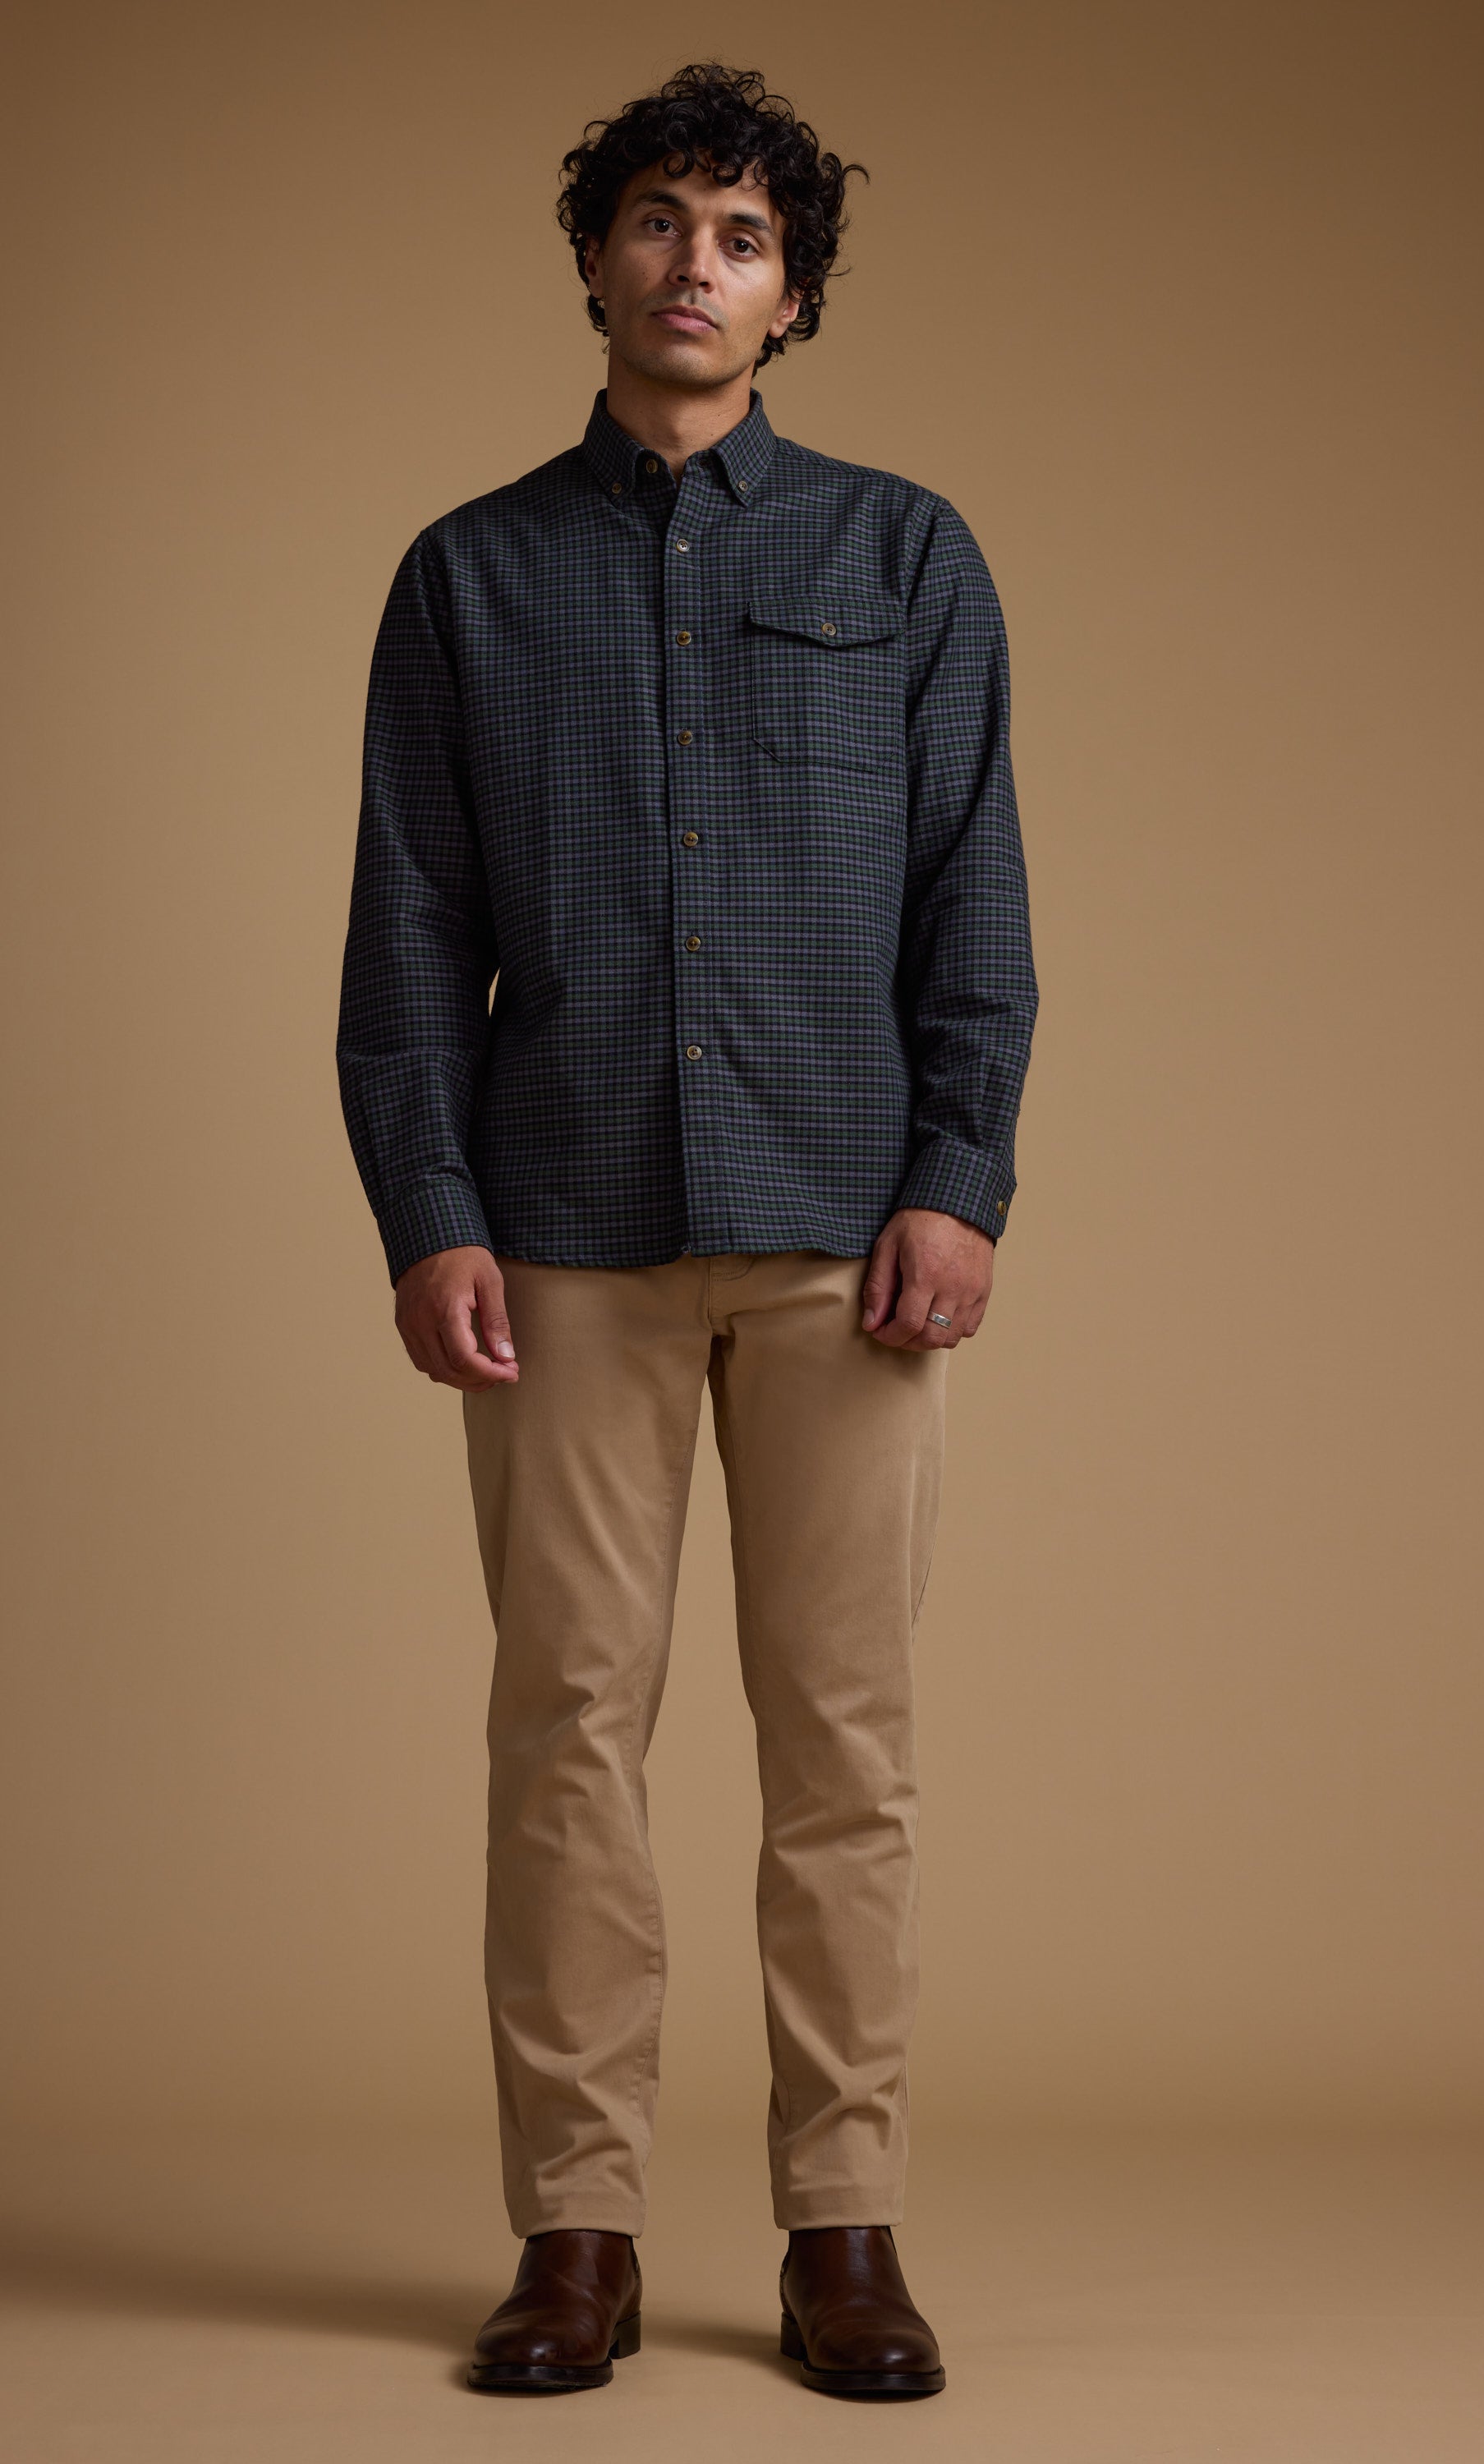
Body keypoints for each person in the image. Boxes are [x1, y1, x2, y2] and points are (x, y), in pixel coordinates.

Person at [335, 60, 1037, 2402]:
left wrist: (958, 1171)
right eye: (660, 221)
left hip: (847, 1233)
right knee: (564, 1734)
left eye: (742, 234)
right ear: (597, 257)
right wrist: (428, 1210)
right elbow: (414, 929)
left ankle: (842, 2227)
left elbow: (977, 900)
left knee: (844, 1746)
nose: (695, 265)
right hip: (558, 1229)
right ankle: (579, 2234)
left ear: (792, 292)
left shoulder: (905, 557)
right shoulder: (468, 573)